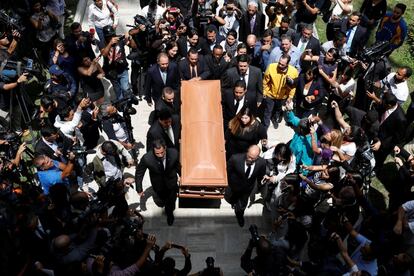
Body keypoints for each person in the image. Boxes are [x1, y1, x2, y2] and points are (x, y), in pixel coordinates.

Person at [135, 139, 180, 225]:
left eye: (162, 152)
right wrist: (139, 189)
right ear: (153, 151)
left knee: (170, 202)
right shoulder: (147, 158)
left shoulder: (174, 153)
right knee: (162, 199)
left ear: (165, 148)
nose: (160, 155)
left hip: (171, 181)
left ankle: (170, 214)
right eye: (157, 153)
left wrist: (182, 176)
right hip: (158, 184)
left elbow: (177, 165)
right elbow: (139, 173)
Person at [225, 145, 266, 227]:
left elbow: (260, 175)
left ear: (257, 157)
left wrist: (261, 183)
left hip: (247, 188)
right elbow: (228, 171)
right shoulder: (235, 159)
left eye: (253, 158)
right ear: (247, 152)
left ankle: (239, 215)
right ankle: (234, 202)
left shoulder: (262, 163)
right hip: (234, 186)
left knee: (242, 204)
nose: (250, 159)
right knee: (232, 198)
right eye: (249, 156)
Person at [262, 54, 299, 129]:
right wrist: (265, 92)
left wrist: (290, 96)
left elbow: (293, 86)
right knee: (268, 111)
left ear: (287, 64)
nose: (279, 65)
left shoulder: (294, 71)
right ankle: (265, 127)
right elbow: (265, 81)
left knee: (278, 110)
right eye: (279, 63)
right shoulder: (271, 67)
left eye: (282, 64)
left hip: (283, 97)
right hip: (270, 94)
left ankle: (274, 119)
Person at [101, 25, 137, 100]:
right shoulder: (103, 43)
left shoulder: (120, 39)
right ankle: (121, 104)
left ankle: (128, 101)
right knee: (117, 90)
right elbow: (104, 54)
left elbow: (133, 46)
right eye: (109, 36)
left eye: (112, 35)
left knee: (125, 88)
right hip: (112, 72)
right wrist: (110, 43)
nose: (111, 37)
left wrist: (131, 39)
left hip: (123, 69)